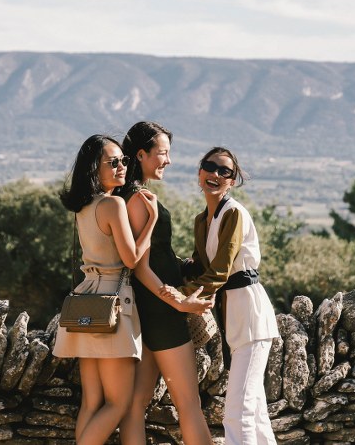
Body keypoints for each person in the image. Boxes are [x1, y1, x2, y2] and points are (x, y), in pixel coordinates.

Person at [163, 146, 280, 445]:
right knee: (253, 411)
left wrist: (178, 299)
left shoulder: (234, 213)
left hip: (251, 317)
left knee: (236, 412)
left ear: (232, 180)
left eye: (224, 171)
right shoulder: (202, 220)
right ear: (199, 171)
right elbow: (197, 266)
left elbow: (219, 272)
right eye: (209, 166)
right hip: (234, 319)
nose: (215, 174)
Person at [53, 134, 159, 445]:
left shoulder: (83, 208)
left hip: (87, 301)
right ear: (93, 169)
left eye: (123, 160)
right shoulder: (113, 204)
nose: (121, 166)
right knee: (118, 404)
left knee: (91, 402)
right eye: (112, 162)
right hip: (114, 303)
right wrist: (150, 221)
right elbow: (130, 259)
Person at [116, 122, 215, 445]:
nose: (168, 160)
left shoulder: (125, 195)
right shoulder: (138, 199)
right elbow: (140, 267)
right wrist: (178, 302)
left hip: (147, 311)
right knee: (189, 404)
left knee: (135, 405)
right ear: (141, 154)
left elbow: (154, 256)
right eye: (163, 153)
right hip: (162, 312)